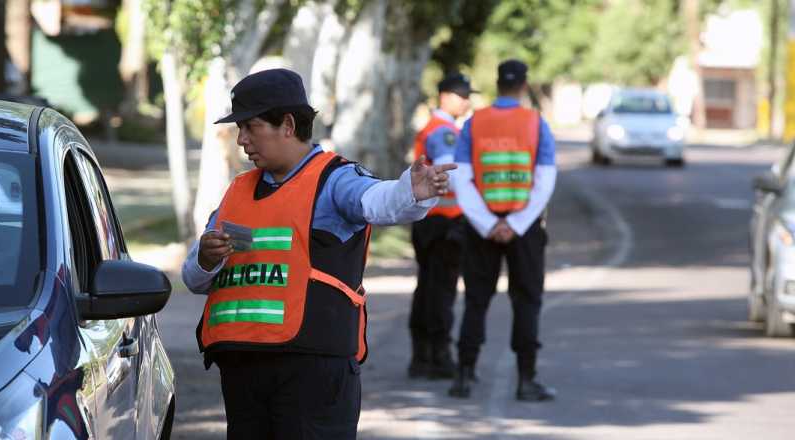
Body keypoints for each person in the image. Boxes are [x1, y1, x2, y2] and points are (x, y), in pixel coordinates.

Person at [182, 68, 455, 439]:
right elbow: (194, 278)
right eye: (239, 129)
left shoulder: (335, 179)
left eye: (250, 126)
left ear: (288, 125)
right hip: (243, 368)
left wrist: (411, 192)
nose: (242, 139)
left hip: (313, 370)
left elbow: (375, 201)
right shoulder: (237, 191)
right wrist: (206, 259)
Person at [447, 59, 557, 402]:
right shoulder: (536, 123)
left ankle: (463, 376)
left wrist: (487, 222)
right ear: (523, 86)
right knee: (526, 301)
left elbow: (462, 178)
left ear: (497, 84)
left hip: (483, 228)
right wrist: (517, 224)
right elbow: (545, 180)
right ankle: (526, 380)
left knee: (477, 300)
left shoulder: (474, 123)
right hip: (523, 229)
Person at [407, 72, 475, 379]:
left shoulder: (434, 128)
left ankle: (422, 356)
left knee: (427, 288)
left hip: (429, 222)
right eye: (463, 95)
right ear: (446, 96)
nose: (467, 101)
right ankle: (438, 355)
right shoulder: (444, 132)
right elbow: (453, 174)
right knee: (441, 291)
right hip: (444, 224)